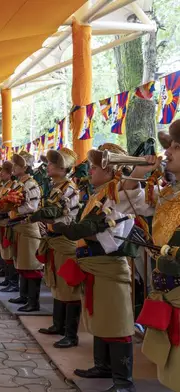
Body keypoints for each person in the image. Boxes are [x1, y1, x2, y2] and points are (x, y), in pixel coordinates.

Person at [54, 143, 142, 392]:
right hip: (94, 264)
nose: (90, 172)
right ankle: (102, 366)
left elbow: (113, 235)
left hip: (108, 265)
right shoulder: (97, 194)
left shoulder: (117, 193)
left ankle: (123, 382)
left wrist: (83, 232)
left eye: (94, 168)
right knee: (100, 318)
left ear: (111, 170)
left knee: (116, 322)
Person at [128, 121, 180, 391]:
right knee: (170, 372)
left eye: (176, 146)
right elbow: (127, 200)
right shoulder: (168, 193)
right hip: (166, 292)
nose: (167, 152)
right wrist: (138, 172)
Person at [29, 148, 81, 347]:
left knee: (68, 286)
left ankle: (71, 334)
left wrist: (40, 214)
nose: (48, 166)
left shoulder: (69, 188)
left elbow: (60, 213)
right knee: (57, 284)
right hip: (53, 239)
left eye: (51, 164)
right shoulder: (55, 186)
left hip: (64, 239)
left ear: (62, 168)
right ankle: (58, 325)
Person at [5, 151, 43, 312]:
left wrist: (14, 208)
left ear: (25, 167)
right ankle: (24, 295)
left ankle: (33, 302)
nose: (13, 167)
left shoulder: (31, 184)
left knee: (31, 264)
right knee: (22, 262)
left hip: (28, 226)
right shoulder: (19, 183)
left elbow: (32, 207)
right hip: (19, 226)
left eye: (17, 165)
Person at [0, 161, 17, 290]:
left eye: (3, 171)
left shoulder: (13, 185)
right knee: (5, 250)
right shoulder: (5, 185)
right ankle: (8, 278)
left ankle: (12, 282)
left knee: (10, 252)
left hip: (10, 221)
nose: (0, 173)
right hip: (3, 221)